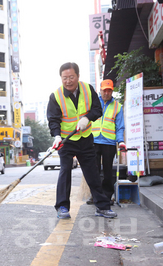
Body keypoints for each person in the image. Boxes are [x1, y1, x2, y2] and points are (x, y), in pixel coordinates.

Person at [47, 62, 117, 219]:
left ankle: (102, 207)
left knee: (92, 172)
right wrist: (57, 136)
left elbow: (97, 109)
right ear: (61, 78)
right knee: (65, 171)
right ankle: (62, 207)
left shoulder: (87, 89)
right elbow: (53, 120)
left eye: (71, 77)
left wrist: (87, 118)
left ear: (78, 76)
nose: (68, 81)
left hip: (85, 138)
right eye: (64, 78)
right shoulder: (56, 96)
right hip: (66, 140)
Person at [86, 79, 125, 205]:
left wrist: (121, 141)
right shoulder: (93, 103)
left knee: (108, 171)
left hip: (109, 142)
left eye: (109, 91)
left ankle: (107, 196)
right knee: (94, 170)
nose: (106, 93)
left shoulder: (117, 107)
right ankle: (95, 196)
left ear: (112, 91)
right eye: (104, 90)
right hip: (94, 140)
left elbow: (120, 127)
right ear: (100, 90)